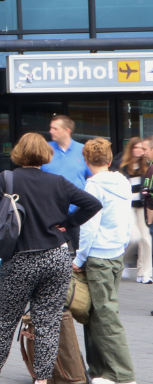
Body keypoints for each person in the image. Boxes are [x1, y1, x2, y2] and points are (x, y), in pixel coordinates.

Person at [0, 132, 101, 384]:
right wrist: (67, 224)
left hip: (20, 259)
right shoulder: (58, 181)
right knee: (48, 322)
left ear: (18, 152)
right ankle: (41, 380)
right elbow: (92, 204)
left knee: (6, 318)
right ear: (45, 155)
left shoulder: (6, 179)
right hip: (56, 258)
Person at [75, 138, 137, 384]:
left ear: (86, 160)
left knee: (104, 315)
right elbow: (127, 219)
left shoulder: (93, 187)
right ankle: (100, 370)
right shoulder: (122, 182)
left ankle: (122, 374)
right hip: (114, 254)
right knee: (98, 312)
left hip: (97, 255)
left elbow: (89, 227)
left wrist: (79, 257)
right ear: (110, 160)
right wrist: (121, 245)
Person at [43, 114, 91, 249]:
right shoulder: (45, 150)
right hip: (49, 212)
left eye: (55, 128)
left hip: (77, 213)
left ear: (67, 130)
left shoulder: (83, 151)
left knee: (80, 252)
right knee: (49, 253)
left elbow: (92, 179)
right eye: (50, 128)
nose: (51, 131)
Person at [118, 137, 152, 284]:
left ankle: (144, 273)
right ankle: (122, 262)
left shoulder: (147, 167)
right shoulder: (124, 167)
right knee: (134, 237)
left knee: (147, 240)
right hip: (129, 207)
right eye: (137, 147)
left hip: (143, 207)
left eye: (142, 148)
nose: (140, 151)